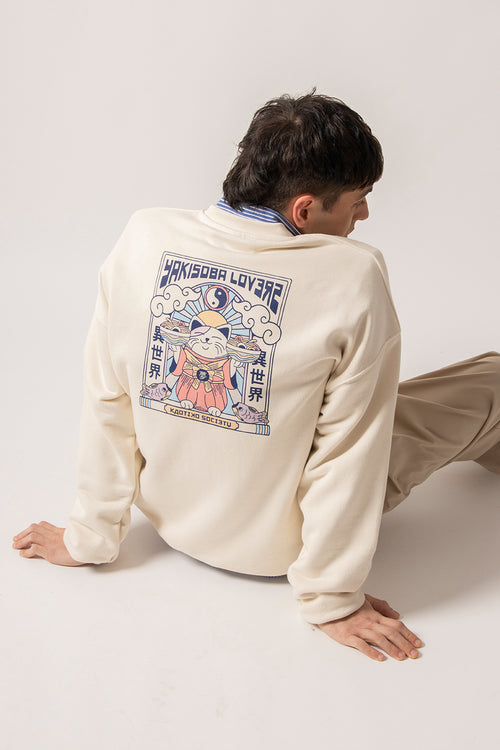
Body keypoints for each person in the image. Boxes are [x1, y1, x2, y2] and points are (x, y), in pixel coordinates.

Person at [12, 92, 500, 662]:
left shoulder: (143, 237)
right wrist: (331, 598)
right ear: (304, 210)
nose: (364, 216)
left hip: (173, 519)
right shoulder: (352, 273)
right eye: (359, 200)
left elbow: (108, 402)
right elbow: (348, 452)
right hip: (281, 545)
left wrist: (89, 536)